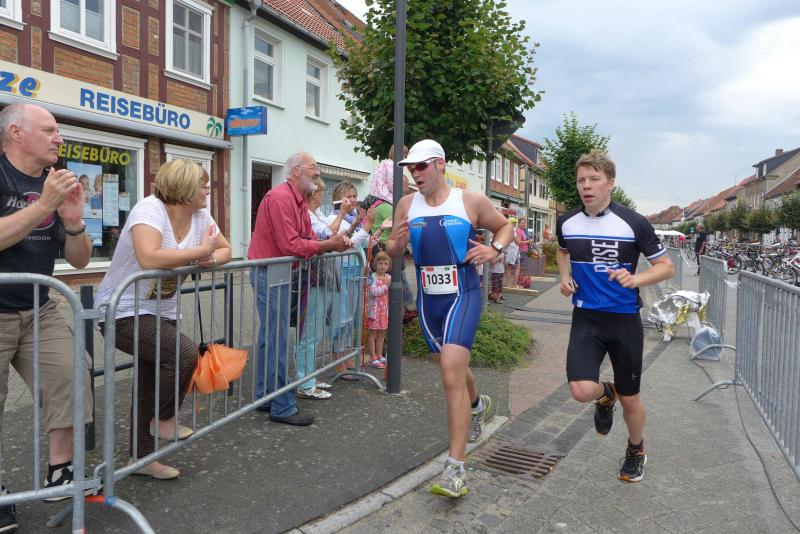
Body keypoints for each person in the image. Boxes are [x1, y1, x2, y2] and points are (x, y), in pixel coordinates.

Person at [389, 139, 514, 498]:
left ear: (440, 165)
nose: (415, 173)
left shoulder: (469, 200)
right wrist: (396, 243)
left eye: (421, 166)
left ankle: (455, 470)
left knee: (449, 372)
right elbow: (393, 250)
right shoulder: (406, 204)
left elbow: (504, 227)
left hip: (463, 293)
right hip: (429, 299)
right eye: (410, 168)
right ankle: (478, 405)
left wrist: (494, 249)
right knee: (450, 366)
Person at [96, 159, 231, 479]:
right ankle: (164, 419)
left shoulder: (200, 216)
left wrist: (210, 258)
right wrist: (200, 251)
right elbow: (150, 256)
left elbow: (225, 249)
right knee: (184, 353)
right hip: (123, 310)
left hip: (164, 311)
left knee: (149, 382)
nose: (207, 190)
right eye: (202, 185)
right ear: (183, 187)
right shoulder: (149, 210)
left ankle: (141, 459)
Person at [0, 103, 94, 530]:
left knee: (72, 371)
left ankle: (61, 473)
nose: (60, 137)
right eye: (50, 129)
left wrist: (73, 222)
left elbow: (79, 260)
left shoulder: (53, 182)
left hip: (40, 305)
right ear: (17, 133)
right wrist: (45, 206)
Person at [556, 149, 674, 483]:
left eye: (594, 179)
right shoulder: (567, 222)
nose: (586, 186)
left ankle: (636, 449)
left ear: (610, 183)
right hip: (587, 318)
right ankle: (604, 395)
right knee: (581, 390)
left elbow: (666, 267)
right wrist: (564, 277)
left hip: (624, 320)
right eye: (581, 180)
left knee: (631, 398)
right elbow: (562, 252)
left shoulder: (634, 223)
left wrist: (635, 279)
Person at [248, 152, 350, 426]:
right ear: (296, 171)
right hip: (270, 272)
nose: (318, 173)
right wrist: (328, 245)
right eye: (313, 167)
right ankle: (281, 406)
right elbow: (291, 245)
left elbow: (308, 237)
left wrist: (332, 242)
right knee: (277, 338)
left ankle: (266, 397)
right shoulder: (281, 198)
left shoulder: (297, 200)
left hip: (276, 273)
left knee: (272, 336)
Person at [366, 251, 391, 368]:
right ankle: (372, 357)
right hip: (374, 310)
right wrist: (385, 286)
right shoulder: (372, 277)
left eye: (385, 264)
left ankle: (379, 354)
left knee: (382, 333)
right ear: (375, 264)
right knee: (373, 333)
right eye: (380, 263)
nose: (382, 266)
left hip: (384, 310)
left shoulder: (388, 277)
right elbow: (373, 292)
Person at [514, 218, 532, 287]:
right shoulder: (518, 231)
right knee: (521, 267)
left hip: (525, 251)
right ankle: (520, 282)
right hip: (521, 251)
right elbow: (519, 242)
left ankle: (523, 281)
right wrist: (528, 241)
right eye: (522, 223)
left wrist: (529, 242)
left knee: (524, 267)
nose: (523, 224)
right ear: (519, 223)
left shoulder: (524, 231)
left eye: (524, 223)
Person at [504, 217, 520, 288]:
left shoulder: (506, 230)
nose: (515, 224)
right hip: (512, 250)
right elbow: (517, 241)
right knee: (511, 267)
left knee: (510, 267)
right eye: (514, 223)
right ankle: (511, 284)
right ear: (512, 223)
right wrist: (518, 240)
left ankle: (510, 284)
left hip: (512, 250)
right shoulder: (512, 230)